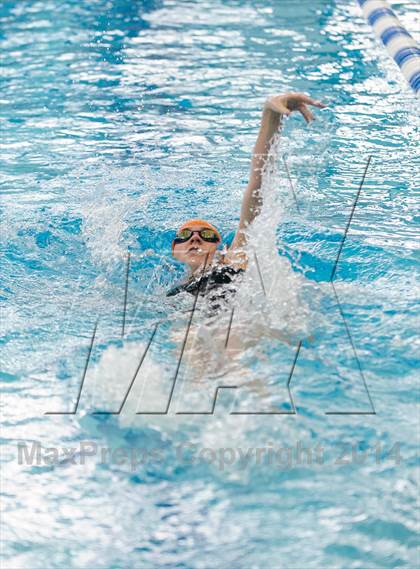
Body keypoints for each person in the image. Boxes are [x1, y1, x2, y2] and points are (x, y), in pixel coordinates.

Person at [167, 92, 325, 306]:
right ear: (175, 251)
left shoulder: (232, 259)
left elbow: (258, 183)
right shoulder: (172, 293)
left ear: (220, 248)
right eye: (185, 235)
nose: (194, 239)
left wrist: (270, 114)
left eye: (206, 234)